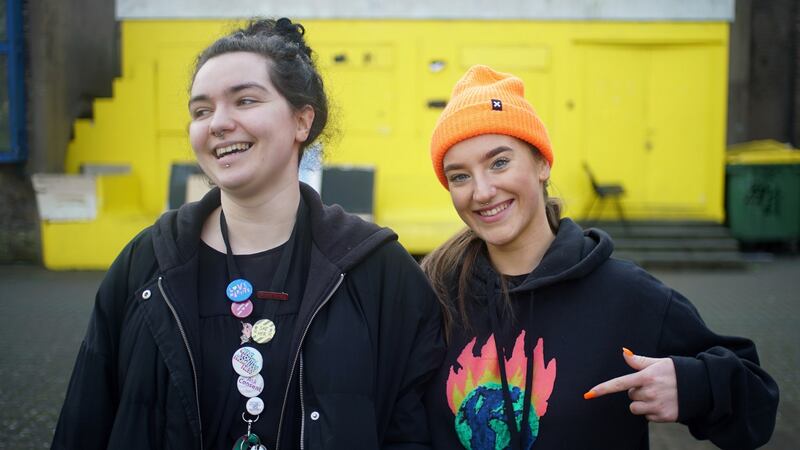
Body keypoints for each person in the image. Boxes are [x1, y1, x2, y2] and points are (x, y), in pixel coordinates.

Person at [52, 18, 444, 450]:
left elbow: (413, 431)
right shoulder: (146, 265)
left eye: (245, 100)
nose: (218, 123)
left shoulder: (377, 269)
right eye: (201, 110)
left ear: (302, 122)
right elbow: (85, 419)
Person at [421, 65, 779, 450]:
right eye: (460, 176)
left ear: (542, 164)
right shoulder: (431, 296)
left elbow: (757, 407)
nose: (482, 191)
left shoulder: (625, 295)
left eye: (499, 162)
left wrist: (695, 385)